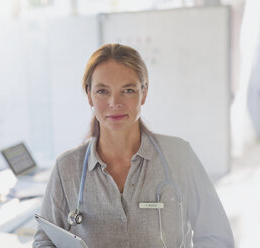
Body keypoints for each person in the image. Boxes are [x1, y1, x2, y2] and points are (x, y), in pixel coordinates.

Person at [33, 43, 235, 248]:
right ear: (89, 94)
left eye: (128, 90)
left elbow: (217, 238)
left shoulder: (179, 156)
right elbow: (44, 241)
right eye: (102, 91)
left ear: (144, 92)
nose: (115, 102)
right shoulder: (66, 168)